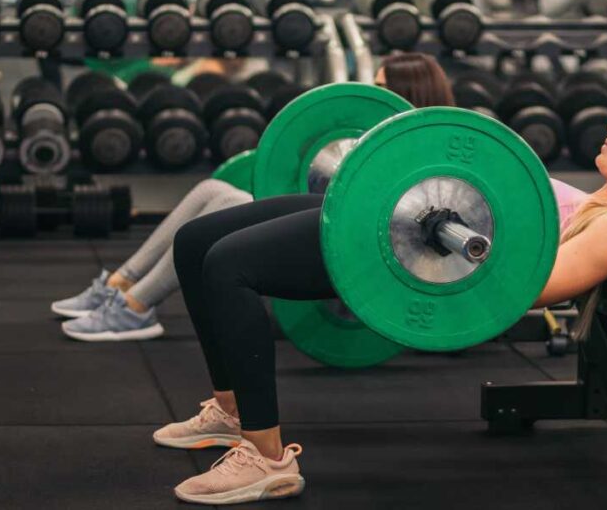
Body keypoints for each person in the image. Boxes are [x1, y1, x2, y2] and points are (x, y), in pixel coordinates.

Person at [159, 90, 607, 506]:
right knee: (196, 242)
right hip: (399, 213)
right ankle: (231, 412)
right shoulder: (595, 202)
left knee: (229, 266)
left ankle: (266, 456)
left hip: (403, 255)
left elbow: (529, 289)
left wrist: (465, 237)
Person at [49, 52, 456, 341]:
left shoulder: (424, 159)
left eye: (382, 88)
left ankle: (136, 308)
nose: (371, 94)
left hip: (361, 252)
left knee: (226, 204)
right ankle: (122, 286)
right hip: (333, 227)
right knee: (213, 189)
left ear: (409, 96)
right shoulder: (378, 146)